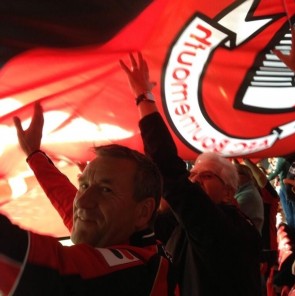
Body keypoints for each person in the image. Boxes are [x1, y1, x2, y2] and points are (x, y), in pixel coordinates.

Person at [120, 52, 262, 296]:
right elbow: (128, 224)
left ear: (229, 192)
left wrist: (144, 97)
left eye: (206, 176)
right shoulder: (180, 224)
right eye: (193, 175)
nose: (194, 180)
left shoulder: (228, 228)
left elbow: (169, 171)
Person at [2, 103, 178, 295]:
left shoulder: (133, 272)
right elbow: (67, 199)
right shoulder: (125, 236)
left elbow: (32, 264)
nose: (82, 202)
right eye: (84, 185)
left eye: (106, 190)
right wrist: (34, 155)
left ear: (143, 212)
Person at [234, 163, 264, 234]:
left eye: (234, 174)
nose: (231, 177)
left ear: (246, 177)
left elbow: (230, 215)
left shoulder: (248, 194)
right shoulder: (246, 190)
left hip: (249, 240)